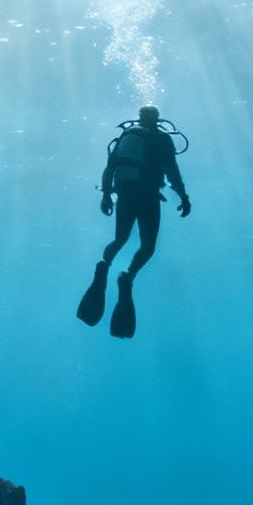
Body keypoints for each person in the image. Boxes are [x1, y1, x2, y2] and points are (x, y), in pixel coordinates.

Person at [76, 105, 191, 338]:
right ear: (157, 119)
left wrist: (106, 195)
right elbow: (172, 172)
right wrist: (184, 197)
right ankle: (128, 277)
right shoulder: (163, 140)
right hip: (149, 197)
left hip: (126, 194)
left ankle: (103, 268)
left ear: (139, 118)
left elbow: (110, 168)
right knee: (147, 247)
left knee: (120, 239)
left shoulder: (127, 137)